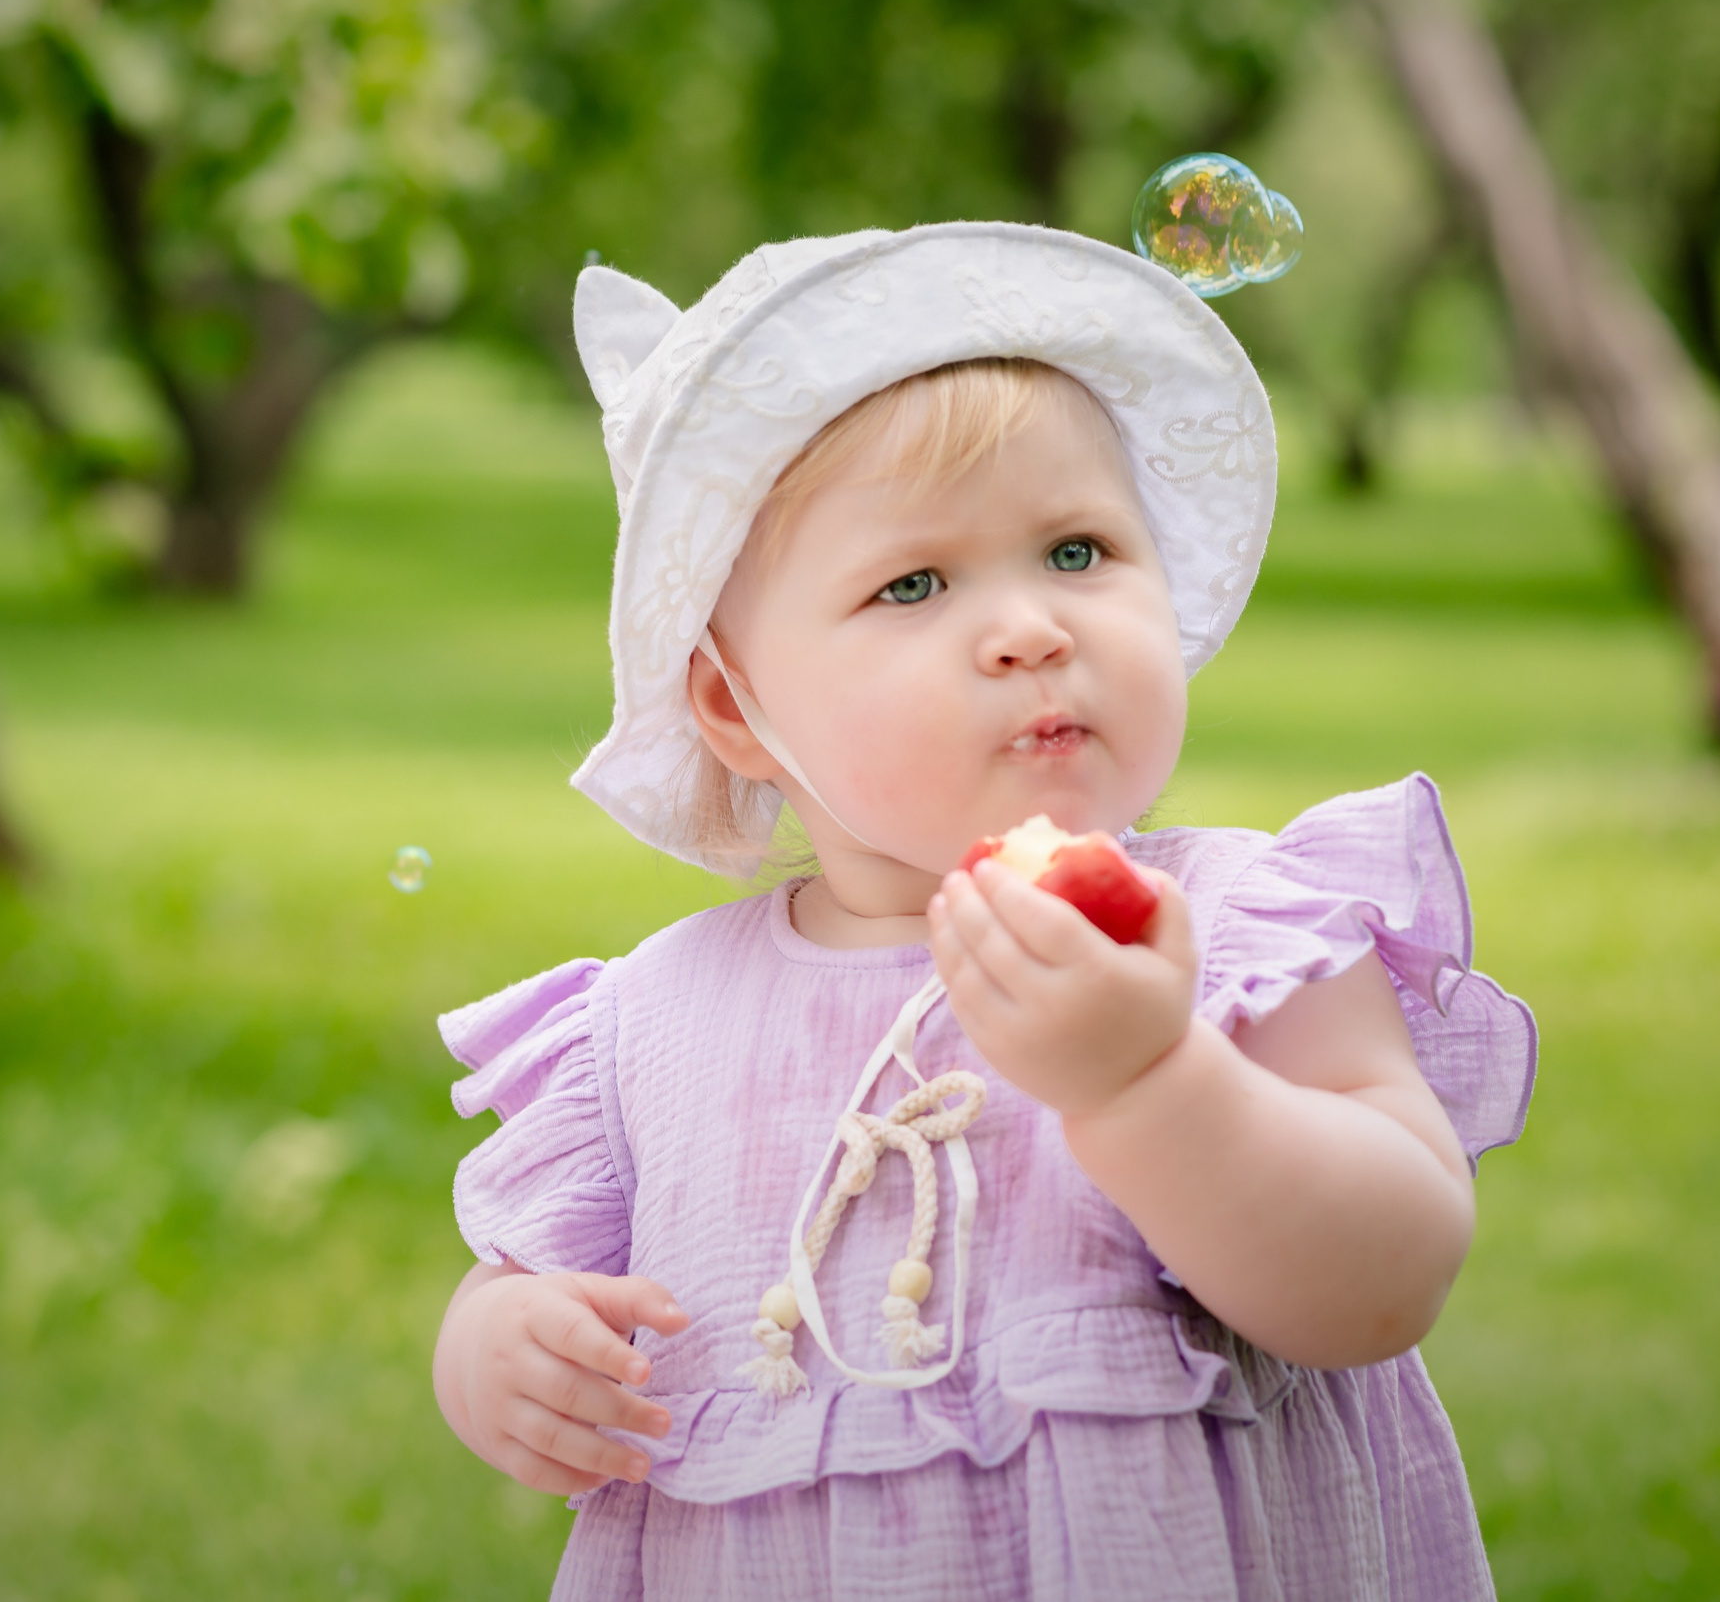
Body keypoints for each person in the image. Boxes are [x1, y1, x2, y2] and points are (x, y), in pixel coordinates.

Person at [429, 223, 1537, 1600]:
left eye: (1078, 551)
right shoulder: (652, 1021)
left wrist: (1150, 1082)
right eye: (913, 583)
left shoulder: (1243, 929)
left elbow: (1386, 1278)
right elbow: (511, 1282)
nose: (1030, 627)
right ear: (735, 709)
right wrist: (498, 1354)